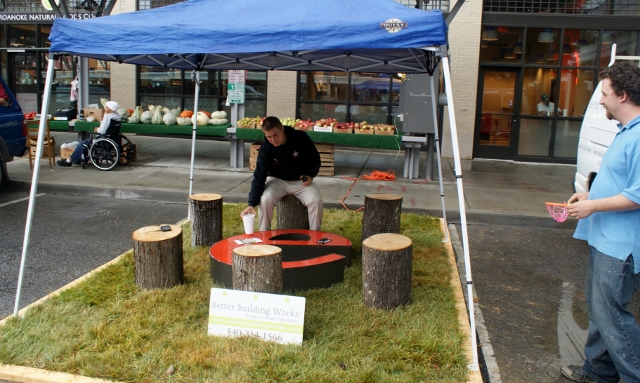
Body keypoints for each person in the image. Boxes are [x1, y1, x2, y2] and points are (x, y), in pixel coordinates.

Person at [562, 61, 640, 383]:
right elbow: (619, 183)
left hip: (620, 247)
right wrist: (589, 196)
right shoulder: (626, 132)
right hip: (604, 238)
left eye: (605, 94)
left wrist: (593, 205)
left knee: (612, 316)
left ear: (622, 95)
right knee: (599, 312)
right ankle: (598, 373)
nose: (600, 100)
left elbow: (637, 196)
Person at [240, 116, 323, 231]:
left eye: (275, 135)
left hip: (301, 181)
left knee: (315, 201)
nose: (273, 140)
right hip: (277, 181)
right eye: (268, 137)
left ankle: (315, 238)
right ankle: (264, 235)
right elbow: (259, 175)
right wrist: (251, 203)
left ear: (282, 129)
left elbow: (314, 159)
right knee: (265, 200)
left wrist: (310, 174)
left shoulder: (300, 138)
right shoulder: (266, 149)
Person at [57, 100, 121, 166]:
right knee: (84, 143)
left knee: (82, 144)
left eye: (107, 108)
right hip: (113, 138)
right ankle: (76, 159)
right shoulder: (117, 116)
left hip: (104, 140)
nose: (105, 108)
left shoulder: (108, 117)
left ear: (111, 109)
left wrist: (97, 129)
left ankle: (69, 160)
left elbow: (102, 131)